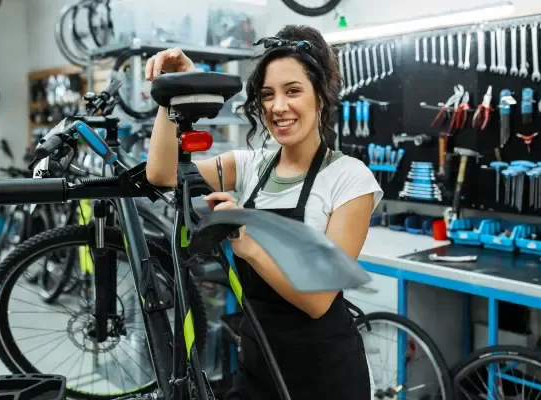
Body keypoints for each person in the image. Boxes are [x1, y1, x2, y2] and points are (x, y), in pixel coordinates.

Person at [145, 24, 383, 400]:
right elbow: (161, 174)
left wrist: (250, 244)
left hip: (326, 375)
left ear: (321, 97)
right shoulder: (251, 165)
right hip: (259, 363)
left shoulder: (350, 179)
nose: (278, 107)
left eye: (293, 92)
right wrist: (173, 93)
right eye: (268, 95)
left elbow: (319, 301)